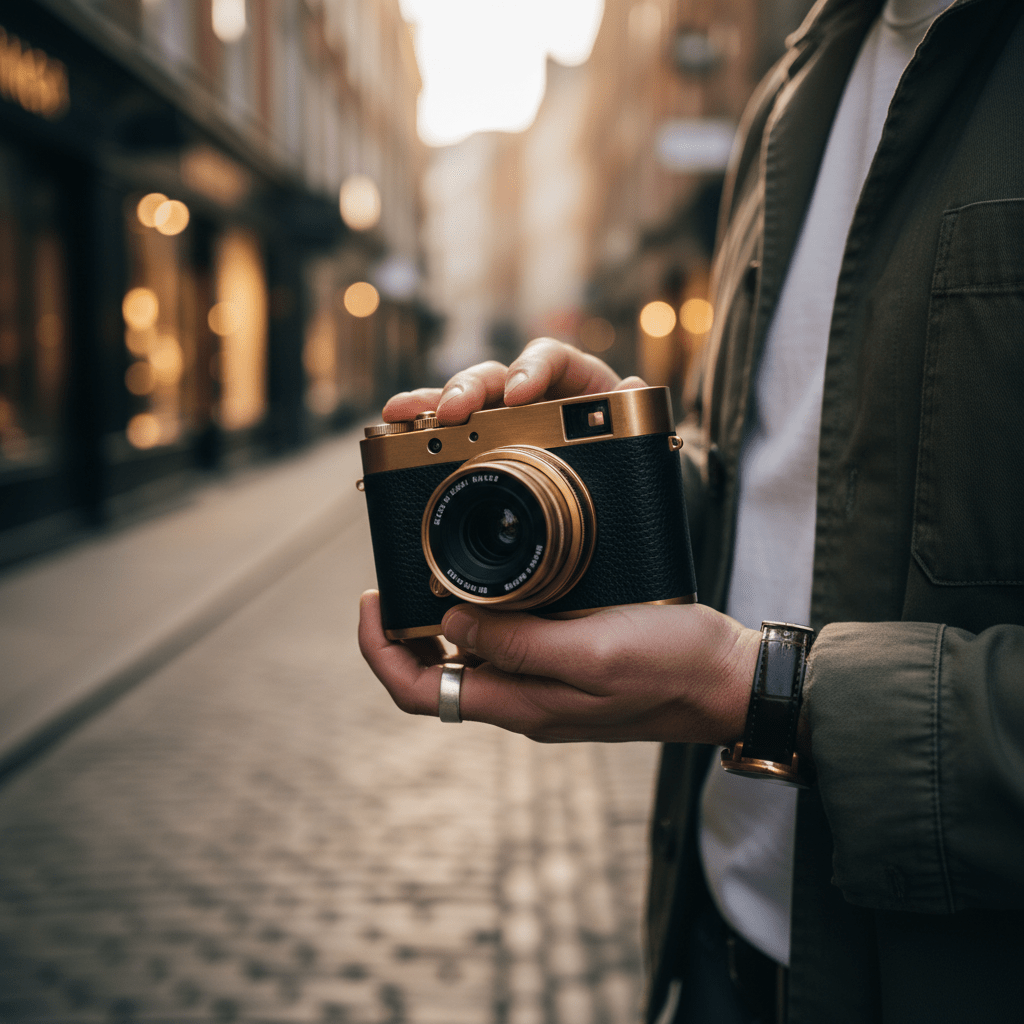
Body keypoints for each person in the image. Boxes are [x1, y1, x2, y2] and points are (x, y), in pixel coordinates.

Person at [359, 0, 1024, 1019]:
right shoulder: (792, 94)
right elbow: (786, 486)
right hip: (713, 938)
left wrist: (757, 691)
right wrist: (621, 481)